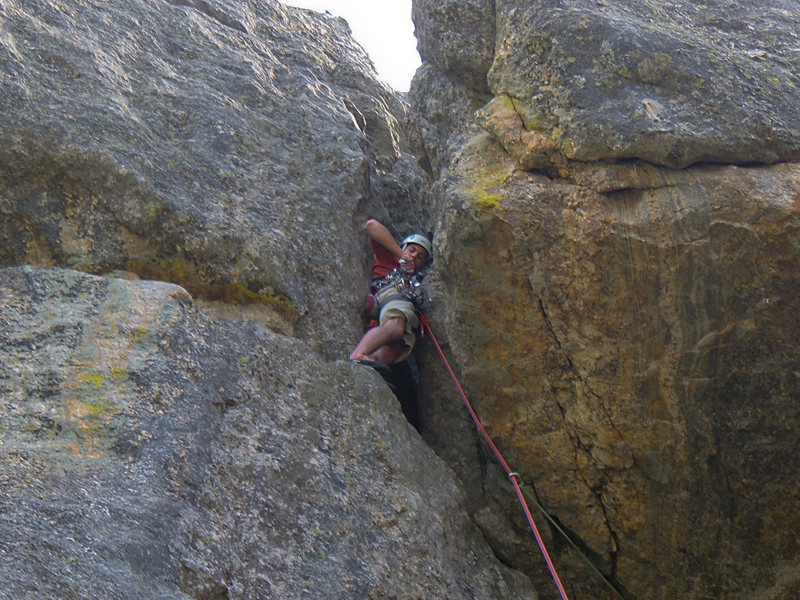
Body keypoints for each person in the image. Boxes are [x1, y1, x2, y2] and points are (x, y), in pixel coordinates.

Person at [349, 219, 432, 366]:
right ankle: (359, 353)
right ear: (404, 247)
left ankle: (371, 364)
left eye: (419, 257)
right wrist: (401, 255)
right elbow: (371, 226)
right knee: (396, 326)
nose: (413, 256)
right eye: (412, 250)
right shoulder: (391, 258)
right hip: (392, 292)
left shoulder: (416, 280)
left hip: (407, 306)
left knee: (398, 346)